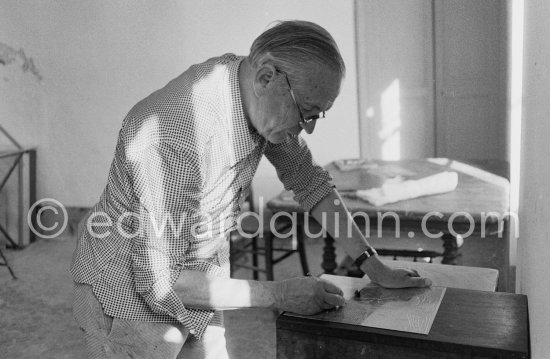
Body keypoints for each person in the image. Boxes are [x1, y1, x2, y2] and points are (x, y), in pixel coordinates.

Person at [71, 20, 431, 358]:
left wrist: (373, 265)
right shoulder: (177, 136)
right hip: (127, 295)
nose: (308, 129)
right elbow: (162, 281)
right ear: (266, 77)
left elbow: (308, 179)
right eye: (307, 112)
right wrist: (279, 293)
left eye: (317, 115)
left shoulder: (256, 94)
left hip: (197, 275)